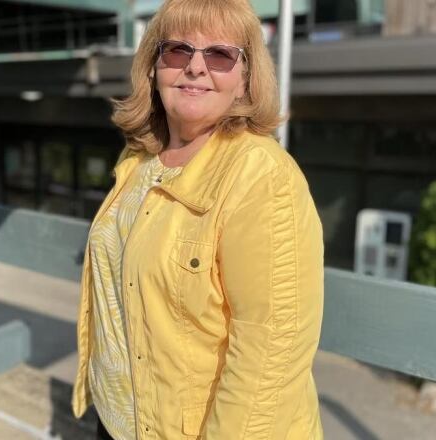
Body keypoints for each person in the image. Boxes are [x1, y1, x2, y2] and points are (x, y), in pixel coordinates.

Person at [71, 0, 324, 438]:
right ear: (153, 66)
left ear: (245, 76)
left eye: (220, 55)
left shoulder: (263, 178)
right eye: (177, 51)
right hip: (117, 420)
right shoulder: (139, 158)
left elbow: (271, 357)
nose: (195, 67)